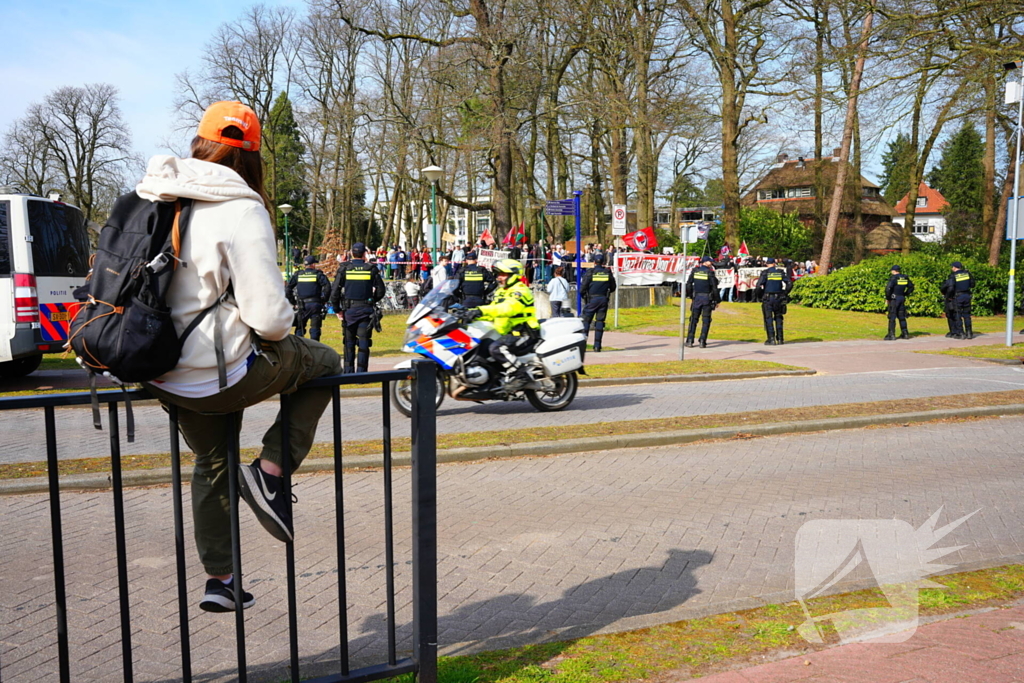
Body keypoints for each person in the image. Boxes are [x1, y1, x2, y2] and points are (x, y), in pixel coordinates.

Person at [138, 101, 342, 612]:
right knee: (325, 361)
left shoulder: (155, 198)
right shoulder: (241, 208)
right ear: (251, 157)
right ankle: (272, 469)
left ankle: (221, 581)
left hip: (161, 370)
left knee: (210, 460)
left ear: (199, 145)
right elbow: (271, 320)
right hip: (221, 373)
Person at [466, 259, 540, 384]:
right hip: (507, 332)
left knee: (497, 348)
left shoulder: (520, 291)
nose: (499, 278)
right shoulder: (501, 292)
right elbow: (492, 313)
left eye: (503, 274)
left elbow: (507, 309)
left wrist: (481, 311)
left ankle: (521, 375)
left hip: (524, 333)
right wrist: (470, 315)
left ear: (513, 275)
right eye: (498, 274)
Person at [331, 242, 386, 372]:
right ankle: (361, 375)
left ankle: (348, 372)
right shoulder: (371, 269)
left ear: (351, 253)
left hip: (349, 311)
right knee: (364, 343)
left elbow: (334, 292)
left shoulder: (344, 268)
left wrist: (337, 310)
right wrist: (372, 300)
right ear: (364, 254)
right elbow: (381, 291)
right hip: (366, 310)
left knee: (349, 342)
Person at [285, 254, 332, 342]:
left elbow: (288, 289)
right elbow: (328, 287)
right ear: (313, 265)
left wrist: (293, 302)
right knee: (315, 329)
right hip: (315, 305)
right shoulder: (318, 274)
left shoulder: (298, 275)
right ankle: (315, 349)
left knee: (300, 329)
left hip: (301, 305)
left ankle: (300, 349)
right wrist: (324, 300)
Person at [579, 254, 616, 351]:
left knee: (586, 321)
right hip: (603, 299)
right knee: (600, 322)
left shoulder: (590, 272)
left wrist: (584, 296)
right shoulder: (608, 272)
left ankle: (583, 345)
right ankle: (597, 346)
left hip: (592, 300)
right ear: (603, 262)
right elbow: (613, 287)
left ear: (594, 262)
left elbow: (582, 288)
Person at [685, 255, 720, 348]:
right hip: (707, 299)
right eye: (710, 261)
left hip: (696, 298)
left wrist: (691, 295)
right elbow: (715, 288)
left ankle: (689, 340)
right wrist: (717, 300)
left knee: (693, 320)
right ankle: (702, 341)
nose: (711, 263)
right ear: (705, 262)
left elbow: (688, 284)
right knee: (706, 320)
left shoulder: (695, 271)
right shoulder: (710, 273)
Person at [754, 257, 791, 345]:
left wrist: (760, 296)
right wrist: (785, 293)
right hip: (779, 298)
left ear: (767, 264)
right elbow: (789, 283)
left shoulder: (765, 273)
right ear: (774, 263)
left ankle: (771, 339)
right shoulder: (780, 272)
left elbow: (758, 286)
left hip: (768, 298)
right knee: (779, 318)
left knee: (768, 319)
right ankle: (780, 339)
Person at [941, 261, 974, 339]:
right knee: (967, 315)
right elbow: (972, 284)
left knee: (957, 315)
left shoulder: (953, 276)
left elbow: (951, 287)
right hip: (967, 296)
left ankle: (961, 333)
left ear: (954, 267)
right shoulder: (967, 274)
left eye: (952, 267)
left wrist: (948, 296)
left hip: (958, 297)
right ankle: (969, 333)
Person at [884, 265, 915, 340]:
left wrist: (888, 298)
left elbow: (888, 289)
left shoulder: (894, 278)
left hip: (894, 299)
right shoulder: (904, 278)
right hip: (901, 298)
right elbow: (911, 287)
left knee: (892, 317)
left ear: (893, 271)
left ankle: (891, 335)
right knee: (902, 316)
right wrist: (905, 294)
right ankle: (905, 334)